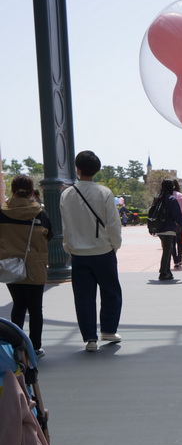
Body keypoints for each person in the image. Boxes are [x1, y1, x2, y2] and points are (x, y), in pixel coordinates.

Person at [59, 150, 123, 352]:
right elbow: (113, 224)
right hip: (103, 250)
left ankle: (90, 338)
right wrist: (115, 245)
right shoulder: (104, 192)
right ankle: (109, 330)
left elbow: (65, 226)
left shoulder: (67, 194)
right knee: (111, 291)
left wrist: (69, 247)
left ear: (77, 169)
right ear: (97, 169)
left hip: (78, 253)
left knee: (83, 296)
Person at [0, 175, 53, 357]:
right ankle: (36, 347)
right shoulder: (40, 213)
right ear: (32, 192)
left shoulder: (2, 213)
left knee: (18, 305)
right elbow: (50, 235)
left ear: (13, 191)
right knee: (35, 308)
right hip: (35, 266)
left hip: (10, 265)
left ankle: (17, 346)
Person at [152, 179, 182, 282]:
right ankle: (163, 272)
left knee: (169, 248)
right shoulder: (172, 199)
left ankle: (167, 271)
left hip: (159, 228)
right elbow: (177, 215)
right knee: (167, 250)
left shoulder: (157, 199)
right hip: (169, 228)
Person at [171, 180, 182, 266]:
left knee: (172, 243)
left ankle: (175, 260)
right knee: (179, 241)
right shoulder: (181, 196)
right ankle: (180, 258)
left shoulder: (168, 197)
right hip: (180, 223)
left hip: (171, 223)